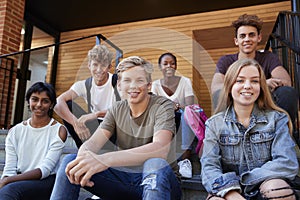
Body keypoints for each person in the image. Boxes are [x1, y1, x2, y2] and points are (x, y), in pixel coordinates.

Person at [50, 56, 182, 200]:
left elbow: (160, 149)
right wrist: (83, 158)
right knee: (71, 161)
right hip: (125, 180)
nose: (133, 86)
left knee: (154, 163)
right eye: (127, 80)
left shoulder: (163, 105)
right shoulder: (117, 109)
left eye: (139, 80)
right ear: (119, 84)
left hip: (160, 183)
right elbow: (93, 143)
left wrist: (106, 159)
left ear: (149, 85)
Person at [201, 58, 299, 200]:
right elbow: (209, 166)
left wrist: (246, 179)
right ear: (229, 85)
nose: (247, 86)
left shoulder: (277, 119)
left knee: (276, 188)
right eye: (240, 80)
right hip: (231, 190)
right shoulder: (214, 124)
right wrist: (230, 191)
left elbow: (286, 162)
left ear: (261, 87)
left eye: (254, 81)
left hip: (264, 185)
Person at [211, 14, 298, 141]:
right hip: (237, 105)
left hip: (263, 105)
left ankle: (283, 137)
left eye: (251, 35)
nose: (247, 39)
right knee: (219, 94)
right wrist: (258, 84)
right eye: (242, 36)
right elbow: (216, 88)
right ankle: (229, 136)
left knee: (288, 92)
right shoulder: (226, 60)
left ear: (259, 38)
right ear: (236, 41)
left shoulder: (268, 57)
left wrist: (261, 88)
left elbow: (285, 81)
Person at [0, 82, 67, 200]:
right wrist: (5, 180)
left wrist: (7, 181)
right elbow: (9, 169)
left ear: (51, 105)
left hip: (45, 182)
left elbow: (45, 170)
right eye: (34, 99)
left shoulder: (59, 131)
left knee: (9, 190)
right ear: (28, 101)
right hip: (19, 180)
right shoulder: (15, 131)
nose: (39, 105)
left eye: (45, 101)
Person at [54, 44, 119, 149]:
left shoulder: (117, 82)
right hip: (96, 128)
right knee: (68, 105)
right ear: (89, 65)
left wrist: (95, 114)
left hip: (114, 129)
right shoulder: (83, 85)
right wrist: (76, 124)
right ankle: (84, 150)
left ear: (109, 67)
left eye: (103, 65)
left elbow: (124, 109)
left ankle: (103, 150)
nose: (99, 70)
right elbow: (58, 103)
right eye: (95, 65)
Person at [151, 52, 195, 178]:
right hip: (164, 116)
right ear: (160, 67)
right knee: (161, 114)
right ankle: (162, 158)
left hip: (182, 116)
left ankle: (185, 160)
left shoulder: (185, 81)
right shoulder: (155, 85)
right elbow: (154, 106)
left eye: (172, 63)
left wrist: (177, 107)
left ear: (176, 66)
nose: (169, 66)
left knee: (187, 112)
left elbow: (189, 105)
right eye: (165, 64)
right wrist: (170, 105)